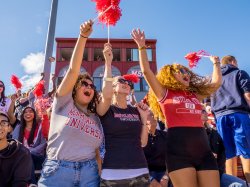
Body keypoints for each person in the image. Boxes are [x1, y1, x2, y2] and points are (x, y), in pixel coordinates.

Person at [132, 29, 222, 187]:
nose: (186, 73)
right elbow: (146, 72)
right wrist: (141, 47)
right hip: (179, 154)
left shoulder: (195, 95)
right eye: (180, 71)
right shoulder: (164, 93)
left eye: (186, 71)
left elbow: (215, 84)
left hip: (204, 153)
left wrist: (216, 64)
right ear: (170, 76)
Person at [38, 20, 107, 187]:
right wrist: (83, 37)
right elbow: (73, 70)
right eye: (84, 84)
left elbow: (98, 152)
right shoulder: (63, 102)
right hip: (57, 171)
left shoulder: (96, 117)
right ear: (74, 89)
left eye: (92, 86)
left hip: (89, 173)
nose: (89, 87)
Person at [97, 58, 150, 185]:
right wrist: (108, 64)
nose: (126, 83)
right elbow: (106, 95)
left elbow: (143, 143)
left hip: (140, 171)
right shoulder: (105, 110)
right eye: (121, 81)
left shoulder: (135, 111)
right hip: (112, 173)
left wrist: (143, 117)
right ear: (113, 87)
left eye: (128, 82)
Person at [210, 55, 250, 182]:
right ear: (233, 62)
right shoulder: (239, 73)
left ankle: (234, 184)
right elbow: (248, 95)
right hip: (238, 114)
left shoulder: (214, 78)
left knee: (228, 153)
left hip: (220, 116)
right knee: (246, 150)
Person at [202, 106, 248, 187]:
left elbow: (221, 157)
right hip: (195, 174)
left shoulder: (214, 133)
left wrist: (217, 173)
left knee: (240, 185)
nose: (205, 112)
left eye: (205, 110)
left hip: (215, 173)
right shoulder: (187, 134)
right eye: (202, 111)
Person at [11, 106, 47, 185]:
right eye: (25, 112)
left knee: (27, 154)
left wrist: (28, 151)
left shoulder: (40, 126)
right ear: (22, 115)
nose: (28, 113)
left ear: (34, 114)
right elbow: (14, 143)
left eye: (30, 111)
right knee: (25, 156)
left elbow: (43, 143)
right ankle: (32, 184)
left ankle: (32, 184)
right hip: (23, 158)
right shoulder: (19, 127)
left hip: (38, 158)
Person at [0, 112, 32, 187]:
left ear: (9, 128)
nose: (0, 127)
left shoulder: (22, 153)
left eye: (3, 123)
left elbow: (20, 183)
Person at [143, 110, 169, 187]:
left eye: (153, 115)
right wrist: (150, 179)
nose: (154, 117)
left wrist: (165, 177)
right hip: (145, 174)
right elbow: (137, 162)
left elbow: (172, 158)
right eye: (150, 115)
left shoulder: (165, 135)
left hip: (164, 173)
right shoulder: (139, 138)